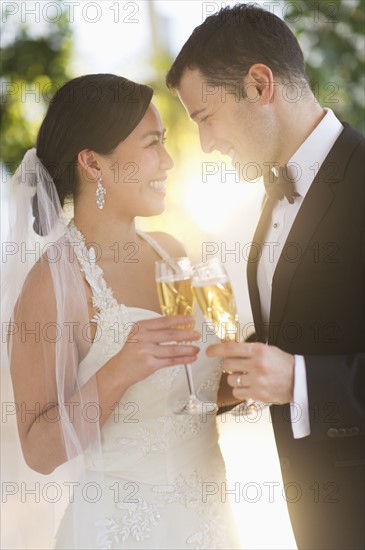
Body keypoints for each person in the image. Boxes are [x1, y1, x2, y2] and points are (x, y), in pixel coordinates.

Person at [2, 74, 241, 550]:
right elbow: (40, 451)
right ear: (93, 163)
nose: (169, 162)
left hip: (210, 523)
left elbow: (197, 393)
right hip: (118, 531)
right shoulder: (53, 285)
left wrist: (243, 373)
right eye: (153, 145)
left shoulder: (174, 253)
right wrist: (120, 369)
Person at [166, 4, 365, 550]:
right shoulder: (273, 193)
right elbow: (304, 329)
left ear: (259, 85)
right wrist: (245, 370)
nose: (206, 143)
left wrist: (301, 382)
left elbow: (304, 368)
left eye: (205, 117)